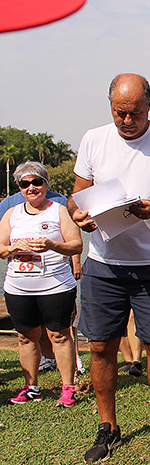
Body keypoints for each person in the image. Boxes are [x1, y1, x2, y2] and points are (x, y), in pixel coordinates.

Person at [68, 73, 150, 463]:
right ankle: (108, 426)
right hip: (104, 263)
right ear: (110, 107)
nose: (127, 121)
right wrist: (80, 217)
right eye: (119, 113)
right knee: (101, 345)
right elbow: (78, 197)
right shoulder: (94, 139)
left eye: (135, 113)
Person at [0, 161, 82, 407]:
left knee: (59, 335)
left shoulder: (58, 210)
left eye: (37, 182)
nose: (31, 188)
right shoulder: (11, 213)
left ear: (46, 184)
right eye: (25, 184)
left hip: (55, 285)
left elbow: (76, 245)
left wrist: (52, 245)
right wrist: (12, 248)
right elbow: (1, 248)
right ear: (20, 188)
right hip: (18, 286)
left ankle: (68, 387)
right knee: (26, 337)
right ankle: (31, 386)